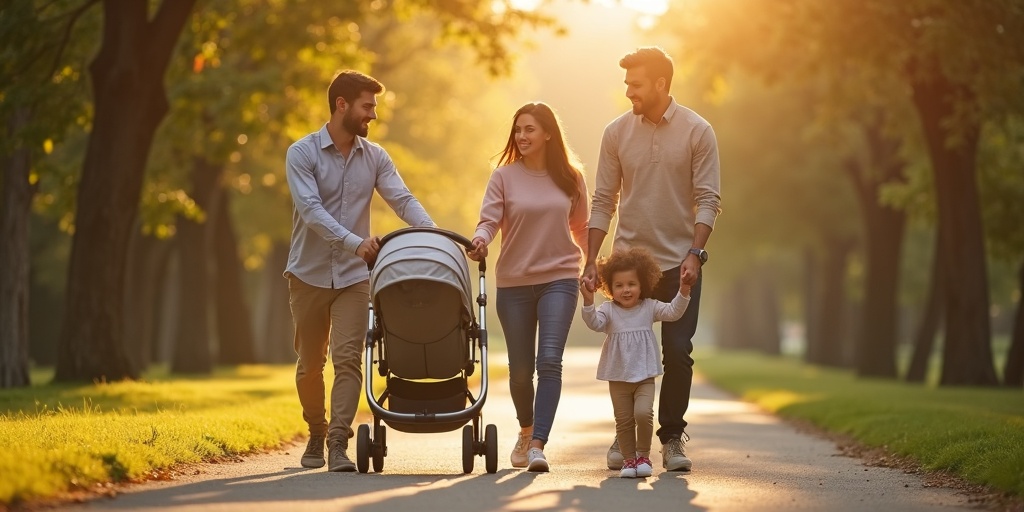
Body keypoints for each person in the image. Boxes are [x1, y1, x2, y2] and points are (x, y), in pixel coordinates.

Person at [284, 70, 435, 472]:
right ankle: (316, 430)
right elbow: (311, 211)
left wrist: (435, 236)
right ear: (342, 105)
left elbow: (402, 200)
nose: (373, 115)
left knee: (349, 359)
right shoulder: (302, 153)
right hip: (308, 274)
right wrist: (355, 242)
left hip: (354, 276)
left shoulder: (376, 156)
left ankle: (338, 442)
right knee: (309, 366)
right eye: (367, 106)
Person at [581, 46, 722, 472]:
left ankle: (672, 437)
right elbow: (603, 200)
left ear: (661, 83)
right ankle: (626, 435)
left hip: (679, 263)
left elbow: (708, 199)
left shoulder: (698, 131)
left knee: (677, 351)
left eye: (636, 84)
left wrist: (695, 253)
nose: (629, 91)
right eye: (627, 83)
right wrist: (591, 259)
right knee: (626, 349)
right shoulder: (616, 132)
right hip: (629, 265)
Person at [467, 102, 589, 472]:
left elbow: (582, 228)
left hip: (560, 278)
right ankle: (526, 429)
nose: (521, 136)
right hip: (515, 283)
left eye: (530, 129)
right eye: (518, 130)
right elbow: (489, 220)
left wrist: (593, 264)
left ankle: (538, 445)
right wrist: (481, 239)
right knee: (520, 371)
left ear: (548, 133)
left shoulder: (571, 177)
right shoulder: (503, 177)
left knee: (549, 361)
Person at [580, 247, 691, 478]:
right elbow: (594, 323)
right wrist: (588, 301)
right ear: (610, 288)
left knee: (643, 413)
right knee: (623, 421)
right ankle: (629, 461)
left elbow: (673, 312)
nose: (626, 290)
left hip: (644, 376)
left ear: (643, 285)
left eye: (631, 284)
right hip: (618, 377)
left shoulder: (649, 307)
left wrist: (684, 290)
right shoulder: (608, 310)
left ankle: (643, 456)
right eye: (619, 285)